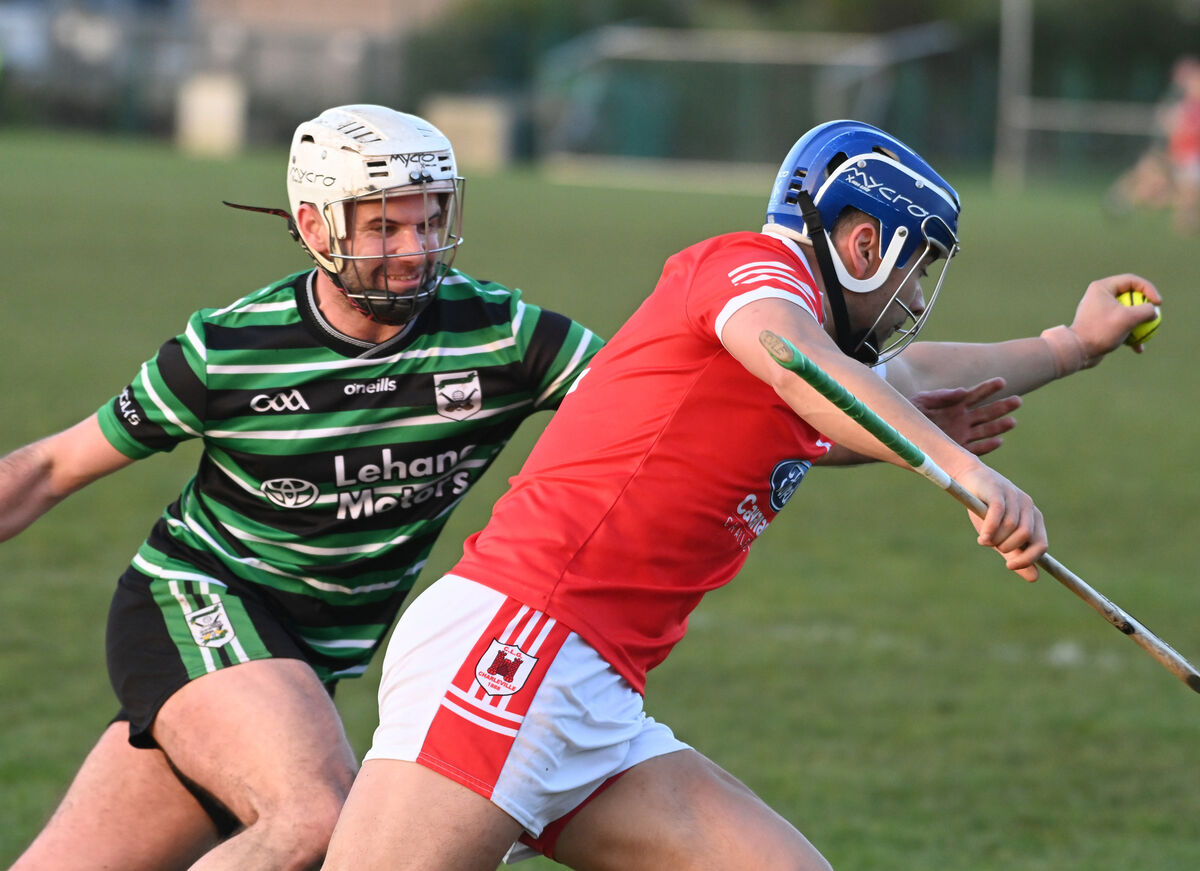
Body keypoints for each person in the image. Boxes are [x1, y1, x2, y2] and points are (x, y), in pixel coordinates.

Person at [319, 120, 1164, 871]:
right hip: (520, 640)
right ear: (863, 242)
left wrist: (1070, 345)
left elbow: (904, 377)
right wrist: (963, 471)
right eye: (914, 268)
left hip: (596, 688)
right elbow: (800, 364)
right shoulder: (749, 270)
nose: (913, 297)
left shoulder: (809, 338)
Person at [0, 105, 606, 871]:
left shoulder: (501, 335)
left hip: (300, 659)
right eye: (385, 228)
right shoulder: (228, 349)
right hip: (199, 602)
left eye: (430, 221)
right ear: (316, 227)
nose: (416, 250)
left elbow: (656, 401)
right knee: (316, 819)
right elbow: (51, 466)